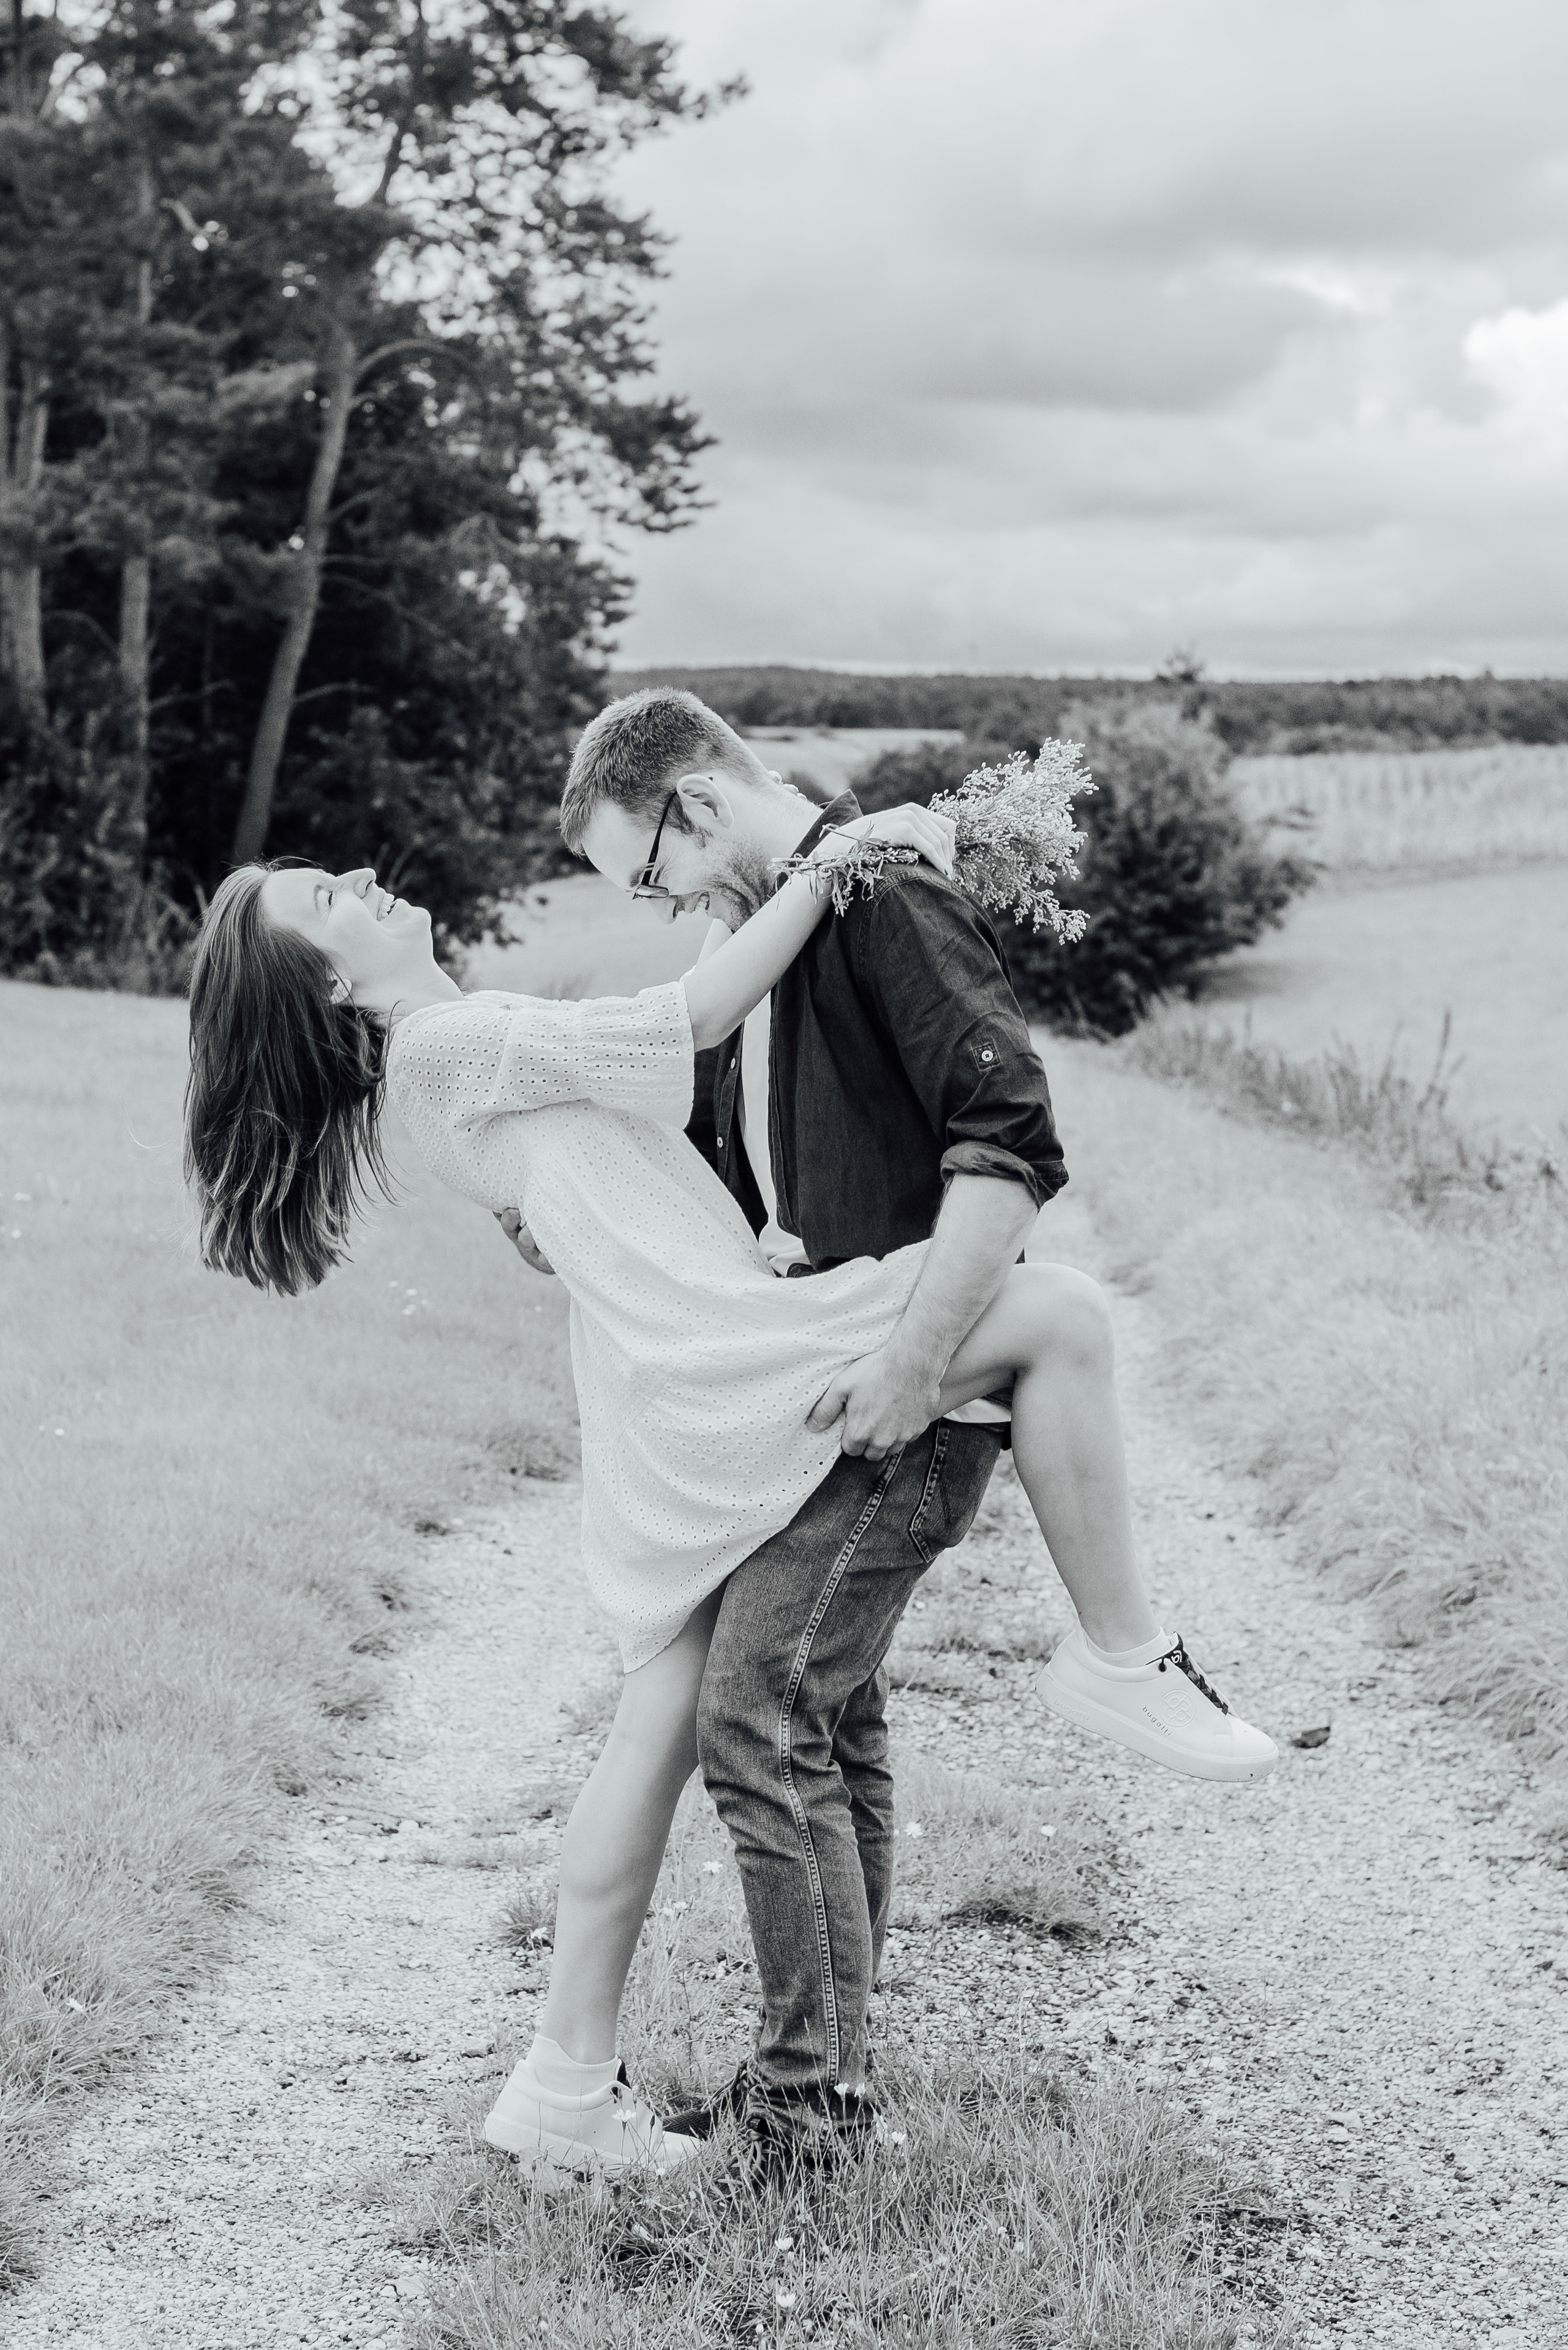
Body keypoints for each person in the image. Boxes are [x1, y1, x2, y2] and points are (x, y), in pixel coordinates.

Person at [489, 689, 1276, 2178]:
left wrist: (913, 1375)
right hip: (817, 1384)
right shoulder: (780, 928)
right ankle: (825, 2081)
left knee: (756, 1712)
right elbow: (731, 1166)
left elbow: (1008, 1148)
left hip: (897, 1397)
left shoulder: (884, 896)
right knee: (825, 1718)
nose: (664, 908)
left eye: (652, 875)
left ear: (699, 806)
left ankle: (806, 2111)